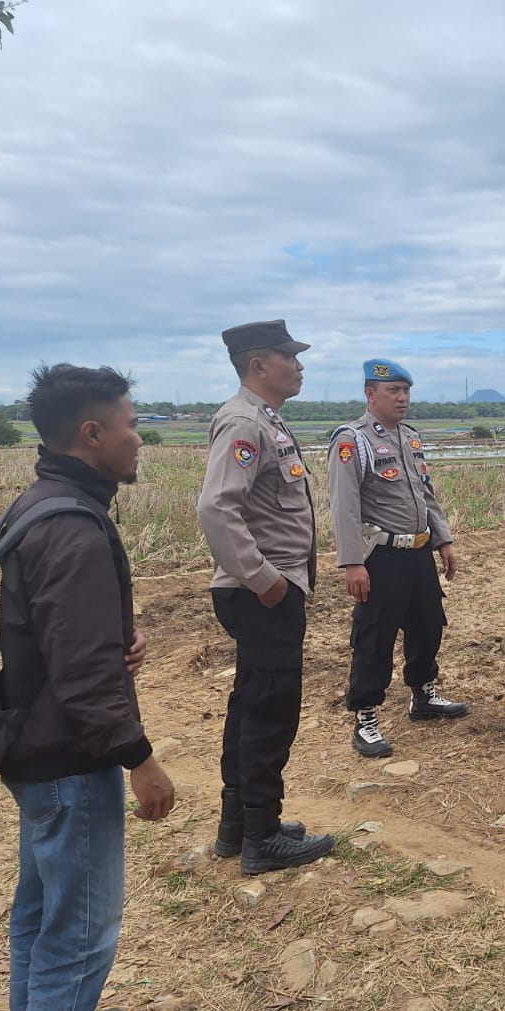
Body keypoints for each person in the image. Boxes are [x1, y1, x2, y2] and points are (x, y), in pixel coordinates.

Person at [0, 364, 176, 1011]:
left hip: (34, 745)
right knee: (80, 925)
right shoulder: (72, 526)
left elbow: (59, 637)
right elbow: (80, 675)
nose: (140, 439)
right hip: (69, 757)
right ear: (92, 433)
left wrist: (112, 642)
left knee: (41, 903)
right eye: (132, 424)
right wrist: (140, 759)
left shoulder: (41, 502)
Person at [197, 320, 335, 875]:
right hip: (261, 593)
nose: (299, 366)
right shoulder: (244, 421)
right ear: (259, 365)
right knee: (270, 712)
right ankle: (263, 835)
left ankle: (239, 825)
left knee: (252, 705)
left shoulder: (265, 419)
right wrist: (264, 578)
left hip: (264, 591)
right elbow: (216, 508)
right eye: (289, 357)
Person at [328, 357, 468, 758]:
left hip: (418, 551)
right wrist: (352, 562)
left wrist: (443, 541)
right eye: (393, 391)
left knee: (428, 625)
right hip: (381, 556)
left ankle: (423, 694)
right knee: (375, 637)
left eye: (406, 391)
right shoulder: (353, 441)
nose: (402, 398)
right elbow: (344, 505)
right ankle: (366, 716)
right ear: (371, 394)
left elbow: (426, 494)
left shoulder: (409, 437)